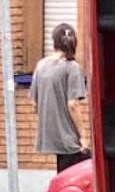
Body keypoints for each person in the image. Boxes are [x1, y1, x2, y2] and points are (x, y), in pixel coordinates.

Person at [33, 22, 88, 172]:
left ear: (54, 42)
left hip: (51, 135)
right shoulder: (72, 67)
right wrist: (83, 137)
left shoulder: (41, 65)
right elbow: (73, 105)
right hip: (69, 139)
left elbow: (35, 104)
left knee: (63, 175)